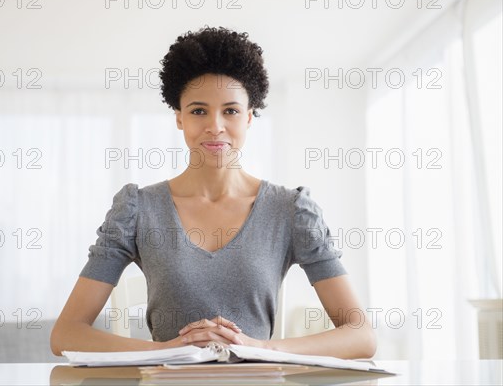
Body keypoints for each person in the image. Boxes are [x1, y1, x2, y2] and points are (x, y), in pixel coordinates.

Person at [51, 26, 376, 359]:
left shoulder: (290, 211)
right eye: (198, 110)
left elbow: (360, 336)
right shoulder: (136, 210)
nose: (215, 125)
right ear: (179, 118)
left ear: (249, 118)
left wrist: (261, 348)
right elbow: (66, 334)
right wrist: (164, 351)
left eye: (231, 111)